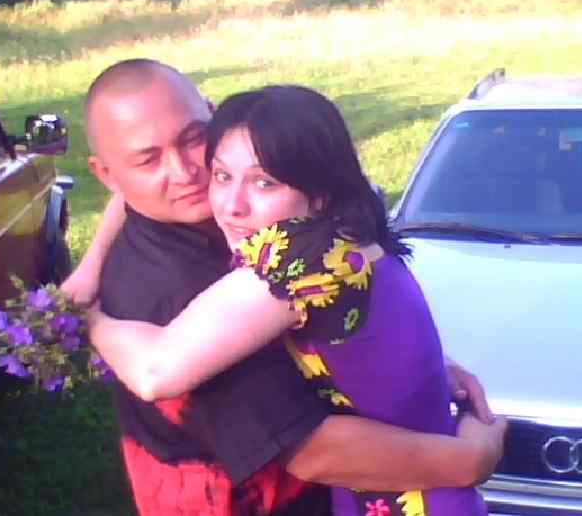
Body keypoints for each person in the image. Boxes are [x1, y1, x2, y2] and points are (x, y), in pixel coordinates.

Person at [83, 75, 503, 515]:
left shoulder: (297, 259)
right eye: (222, 175)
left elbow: (154, 371)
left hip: (415, 499)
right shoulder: (347, 225)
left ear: (318, 192)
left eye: (264, 183)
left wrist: (87, 317)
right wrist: (91, 265)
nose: (230, 204)